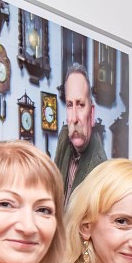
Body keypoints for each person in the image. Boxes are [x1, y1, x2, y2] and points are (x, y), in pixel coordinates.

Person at [54, 65, 107, 205]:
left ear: (92, 113)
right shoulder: (64, 136)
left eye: (80, 105)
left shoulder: (101, 169)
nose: (74, 118)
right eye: (69, 105)